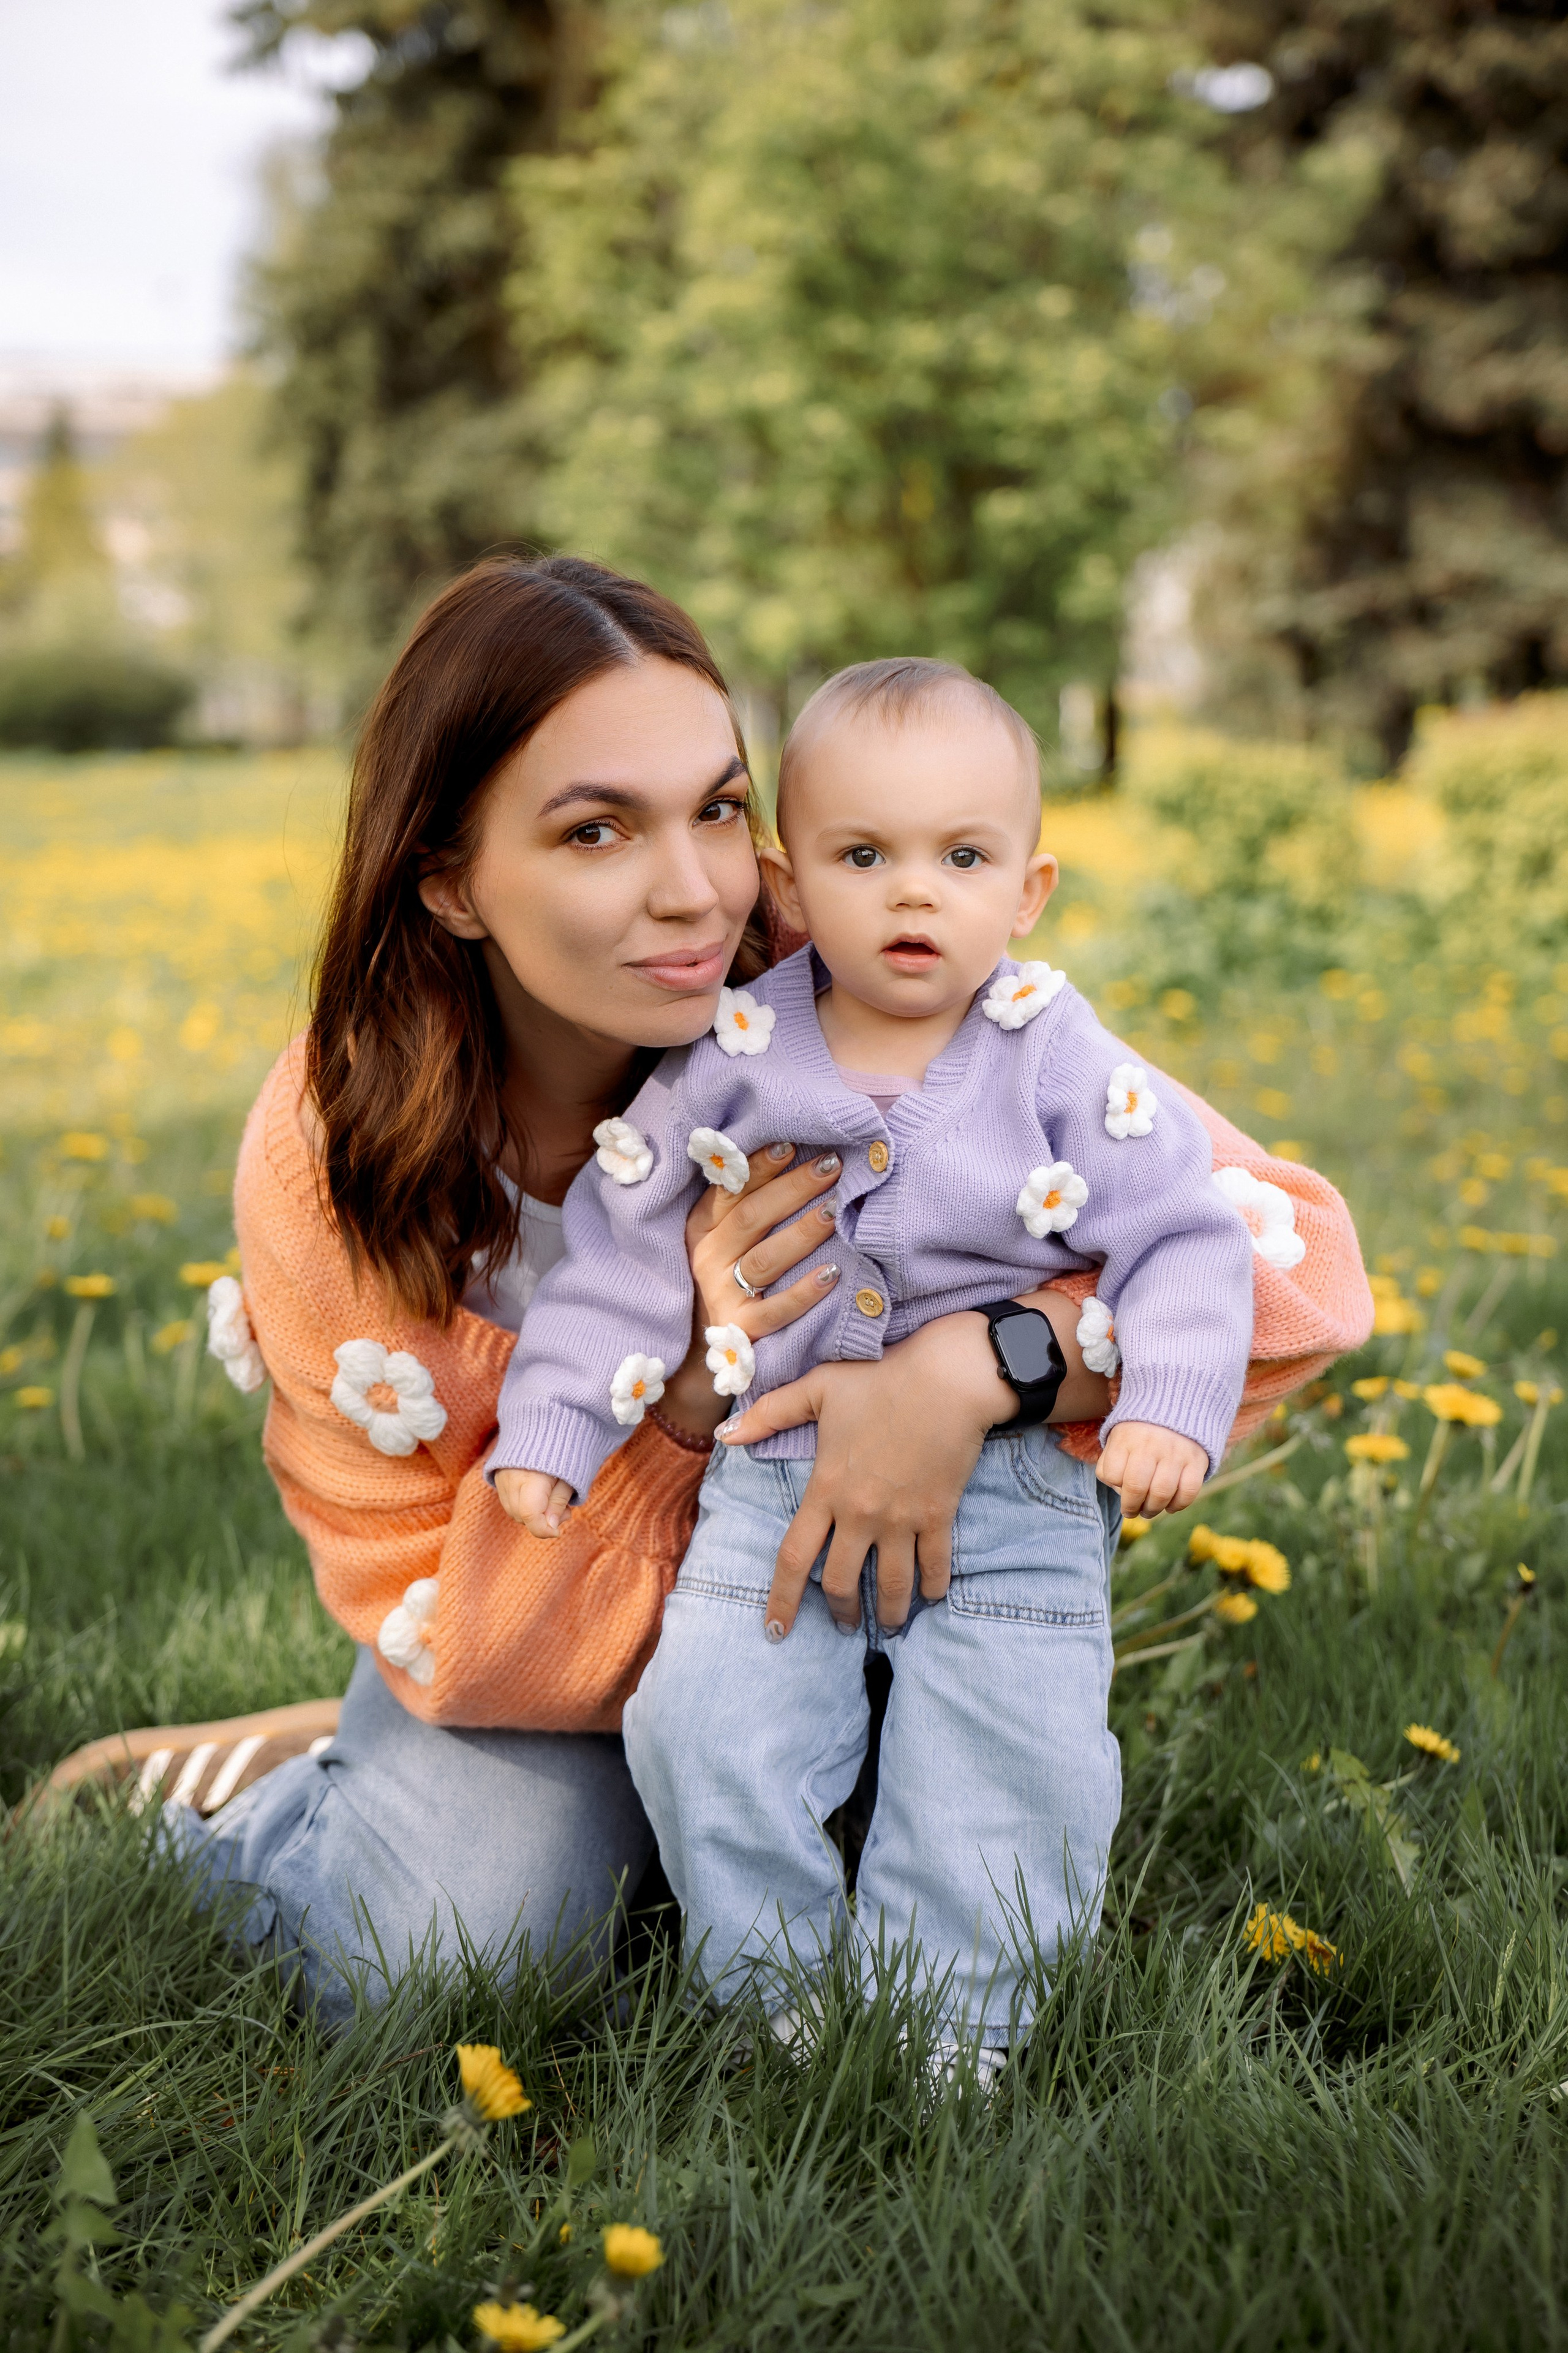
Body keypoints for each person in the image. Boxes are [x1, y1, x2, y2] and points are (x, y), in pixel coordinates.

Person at [42, 558, 1373, 2027]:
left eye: (721, 810)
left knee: (937, 1868)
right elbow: (429, 1603)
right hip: (526, 1658)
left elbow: (1288, 1257)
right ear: (449, 877)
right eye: (595, 829)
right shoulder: (334, 1161)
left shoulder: (860, 974)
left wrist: (968, 1372)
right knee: (448, 1957)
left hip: (869, 1608)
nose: (693, 890)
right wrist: (679, 1396)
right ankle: (273, 1798)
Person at [488, 656, 1257, 2066]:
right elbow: (621, 1245)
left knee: (1004, 1770)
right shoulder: (736, 1049)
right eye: (863, 855)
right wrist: (551, 1424)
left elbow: (1187, 1234)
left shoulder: (1055, 1054)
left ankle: (949, 2046)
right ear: (795, 876)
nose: (913, 893)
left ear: (1025, 891)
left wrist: (1168, 1399)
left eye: (960, 857)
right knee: (703, 1729)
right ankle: (776, 2006)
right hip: (771, 1487)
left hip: (1008, 1505)